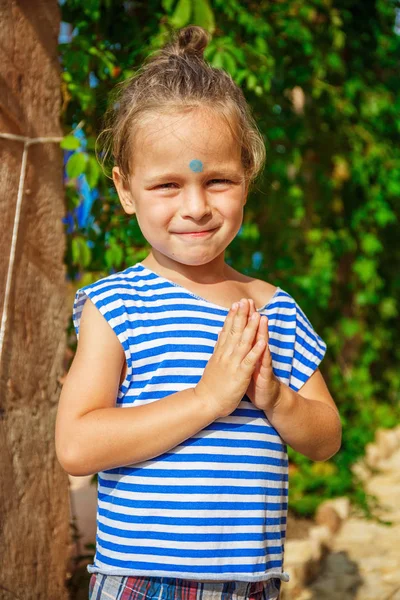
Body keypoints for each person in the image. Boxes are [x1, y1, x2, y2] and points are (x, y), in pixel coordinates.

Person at [55, 24, 342, 600]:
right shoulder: (118, 306)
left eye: (218, 181)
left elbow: (326, 437)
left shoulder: (271, 309)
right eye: (166, 184)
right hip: (143, 582)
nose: (195, 207)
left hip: (249, 585)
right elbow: (77, 445)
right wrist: (207, 400)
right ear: (125, 188)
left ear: (247, 179)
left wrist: (277, 399)